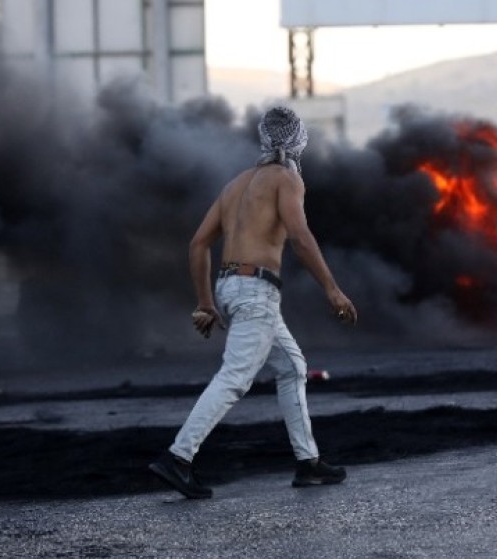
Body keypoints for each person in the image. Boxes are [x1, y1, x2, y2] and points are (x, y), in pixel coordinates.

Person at [148, 106, 358, 500]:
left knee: (292, 367)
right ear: (296, 142)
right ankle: (178, 457)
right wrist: (332, 287)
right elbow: (300, 236)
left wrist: (206, 302)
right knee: (235, 377)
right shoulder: (287, 179)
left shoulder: (236, 184)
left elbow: (198, 244)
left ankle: (308, 463)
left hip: (231, 288)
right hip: (256, 292)